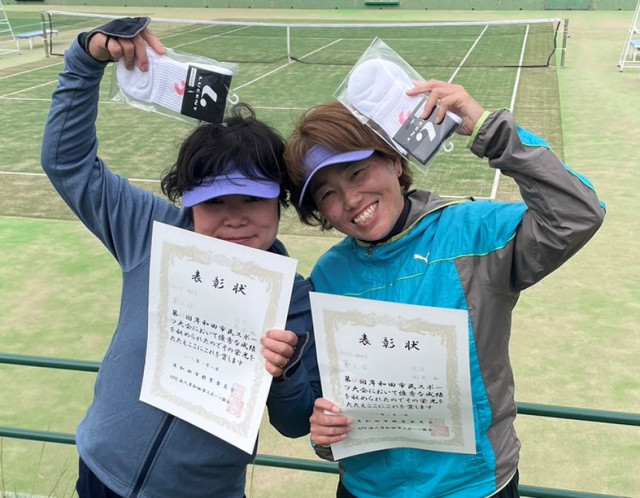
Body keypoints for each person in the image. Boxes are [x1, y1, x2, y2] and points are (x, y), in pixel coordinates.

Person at [283, 81, 606, 497]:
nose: (350, 200)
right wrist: (327, 433)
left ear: (394, 161)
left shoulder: (473, 231)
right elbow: (332, 398)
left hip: (474, 487)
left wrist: (491, 130)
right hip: (364, 488)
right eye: (328, 193)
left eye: (357, 173)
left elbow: (577, 215)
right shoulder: (329, 274)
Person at [40, 17, 320, 498]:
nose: (234, 219)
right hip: (100, 473)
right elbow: (67, 164)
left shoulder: (293, 296)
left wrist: (286, 372)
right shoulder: (152, 233)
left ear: (279, 201)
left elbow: (296, 423)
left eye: (252, 199)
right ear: (189, 202)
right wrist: (86, 59)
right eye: (215, 202)